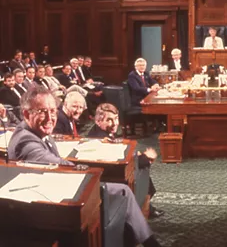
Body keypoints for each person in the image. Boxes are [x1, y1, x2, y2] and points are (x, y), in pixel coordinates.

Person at [8, 86, 162, 247]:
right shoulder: (26, 140)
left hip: (56, 191)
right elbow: (57, 165)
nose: (50, 117)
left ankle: (143, 241)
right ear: (26, 114)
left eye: (53, 111)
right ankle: (149, 242)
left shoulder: (36, 132)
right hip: (54, 203)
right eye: (42, 111)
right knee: (123, 191)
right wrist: (83, 169)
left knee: (123, 191)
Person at [88, 103, 164, 219]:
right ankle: (143, 212)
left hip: (113, 170)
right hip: (110, 178)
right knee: (143, 167)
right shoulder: (100, 139)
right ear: (98, 121)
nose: (114, 124)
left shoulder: (99, 131)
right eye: (109, 120)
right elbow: (120, 162)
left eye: (116, 119)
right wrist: (145, 158)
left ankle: (147, 208)